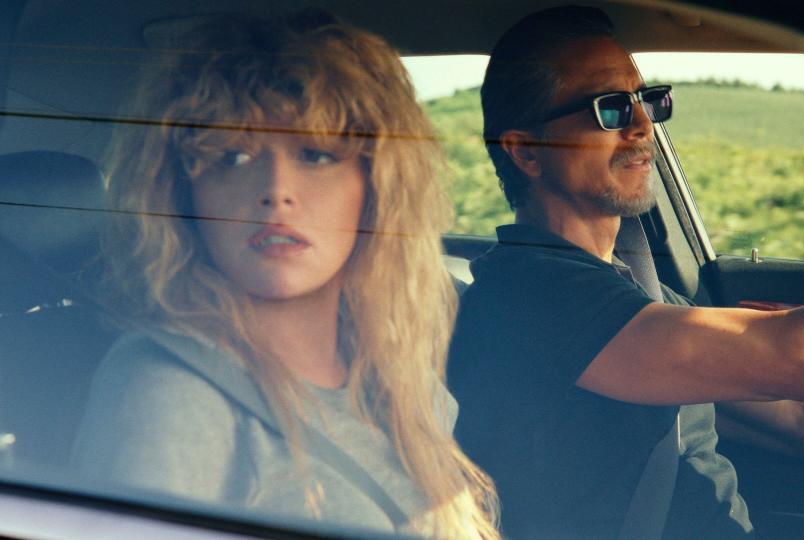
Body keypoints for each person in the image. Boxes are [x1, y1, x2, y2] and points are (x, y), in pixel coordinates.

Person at [446, 6, 804, 539]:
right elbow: (800, 357)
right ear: (526, 152)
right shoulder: (531, 297)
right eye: (611, 109)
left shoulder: (637, 292)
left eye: (646, 100)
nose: (644, 125)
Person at [70, 11, 498, 539]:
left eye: (316, 154)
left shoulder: (392, 372)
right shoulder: (170, 388)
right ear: (181, 192)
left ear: (377, 187)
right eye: (233, 155)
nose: (276, 189)